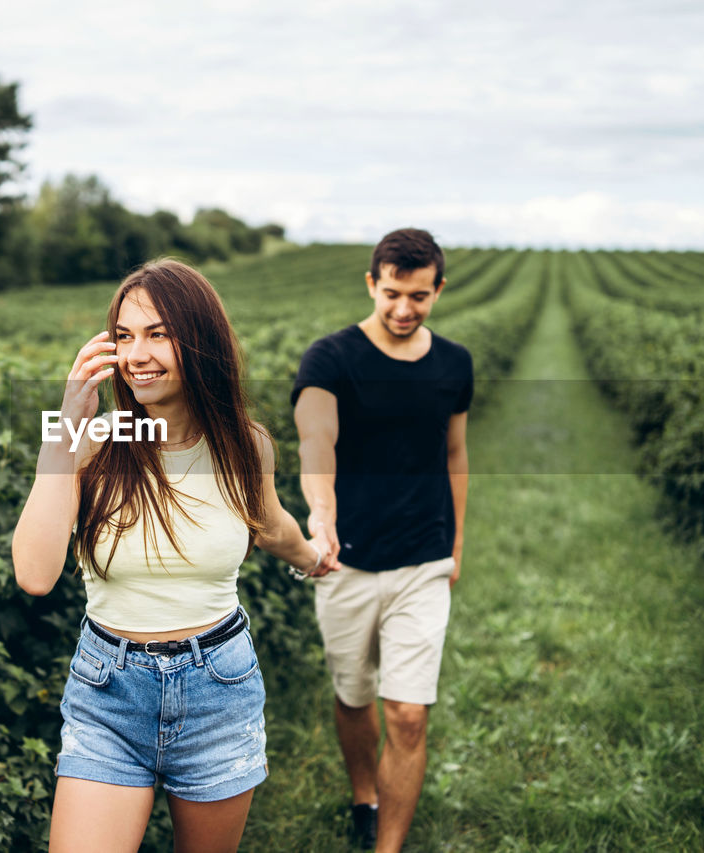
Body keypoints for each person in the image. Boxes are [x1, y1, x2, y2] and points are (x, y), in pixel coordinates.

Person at [13, 259, 332, 853]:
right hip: (108, 690)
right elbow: (34, 575)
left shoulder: (244, 444)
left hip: (219, 684)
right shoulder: (94, 442)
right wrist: (61, 439)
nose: (137, 355)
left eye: (158, 334)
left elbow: (270, 524)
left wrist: (312, 557)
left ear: (199, 341)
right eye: (124, 336)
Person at [292, 228, 471, 852]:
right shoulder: (330, 358)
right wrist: (322, 512)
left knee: (408, 713)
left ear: (438, 290)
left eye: (419, 296)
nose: (403, 308)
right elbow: (317, 438)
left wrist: (457, 545)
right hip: (347, 563)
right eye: (392, 293)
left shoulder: (454, 364)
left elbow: (455, 454)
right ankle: (363, 794)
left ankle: (386, 847)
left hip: (424, 559)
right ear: (372, 284)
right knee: (353, 696)